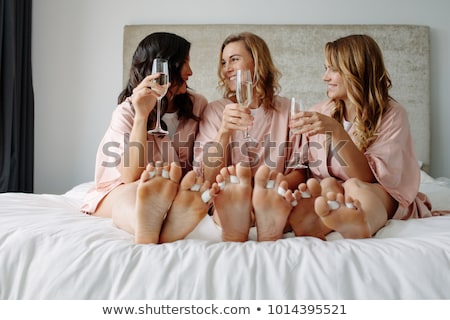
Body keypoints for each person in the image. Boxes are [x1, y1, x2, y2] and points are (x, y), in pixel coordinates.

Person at [287, 34, 438, 240]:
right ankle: (321, 219)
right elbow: (302, 168)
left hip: (375, 193)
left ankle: (359, 222)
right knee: (326, 186)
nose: (325, 77)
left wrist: (336, 131)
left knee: (355, 187)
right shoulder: (319, 112)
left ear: (356, 71)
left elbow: (365, 177)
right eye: (326, 68)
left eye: (334, 70)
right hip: (330, 190)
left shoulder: (391, 114)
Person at [81, 32, 218, 244]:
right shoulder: (126, 112)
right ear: (164, 68)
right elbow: (130, 175)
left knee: (188, 190)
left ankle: (169, 224)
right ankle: (144, 225)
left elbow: (202, 162)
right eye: (184, 63)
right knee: (135, 192)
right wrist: (142, 116)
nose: (190, 72)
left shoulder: (197, 105)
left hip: (172, 188)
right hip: (121, 188)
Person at [194, 32, 301, 242]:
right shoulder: (216, 111)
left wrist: (266, 189)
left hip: (273, 195)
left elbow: (300, 172)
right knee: (227, 200)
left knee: (295, 206)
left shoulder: (288, 109)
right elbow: (208, 177)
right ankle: (241, 218)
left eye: (234, 59)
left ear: (257, 62)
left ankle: (259, 215)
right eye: (224, 63)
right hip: (229, 195)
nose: (227, 69)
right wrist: (224, 132)